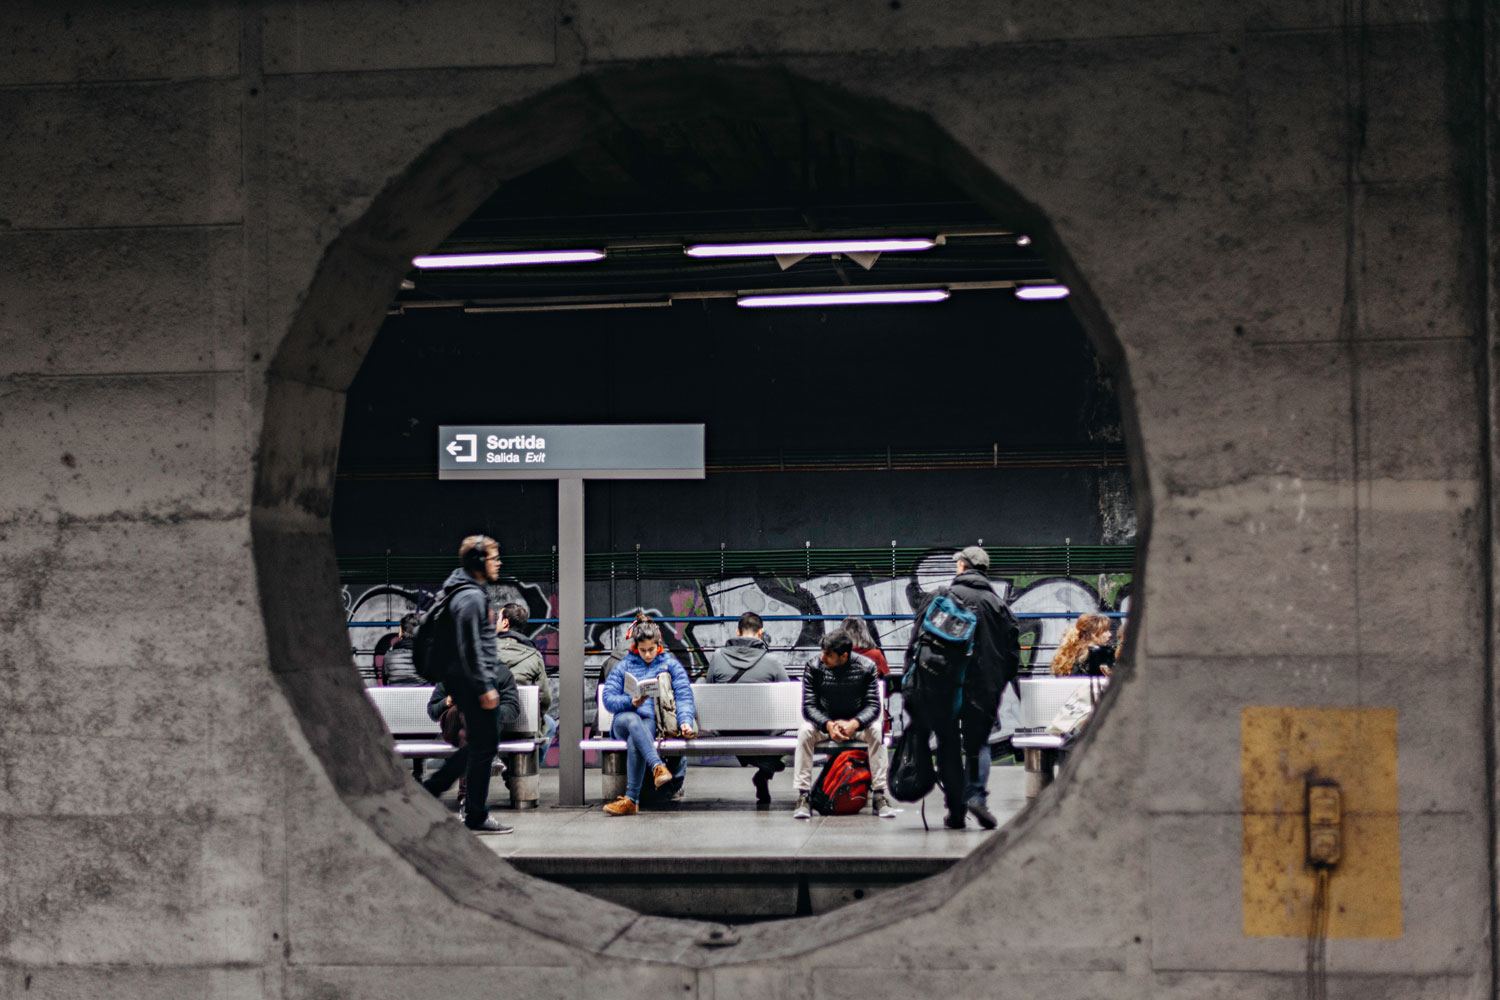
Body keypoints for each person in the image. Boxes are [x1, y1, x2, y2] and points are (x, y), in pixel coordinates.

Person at [910, 546, 1021, 830]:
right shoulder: (1000, 606)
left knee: (948, 744)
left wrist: (913, 683)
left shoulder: (942, 597)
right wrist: (997, 682)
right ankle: (977, 797)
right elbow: (1012, 657)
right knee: (978, 744)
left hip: (943, 685)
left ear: (962, 567)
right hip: (984, 688)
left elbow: (917, 643)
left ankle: (956, 812)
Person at [419, 535, 521, 833]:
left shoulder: (466, 590)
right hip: (471, 683)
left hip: (465, 681)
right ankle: (467, 810)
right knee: (483, 745)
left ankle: (433, 794)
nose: (499, 562)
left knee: (482, 745)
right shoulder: (470, 598)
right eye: (494, 557)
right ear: (478, 561)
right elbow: (468, 647)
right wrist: (484, 687)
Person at [791, 631, 895, 820]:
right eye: (822, 652)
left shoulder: (867, 667)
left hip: (855, 725)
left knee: (877, 731)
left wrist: (854, 724)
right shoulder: (813, 667)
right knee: (805, 732)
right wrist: (828, 724)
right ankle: (804, 795)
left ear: (844, 655)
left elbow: (873, 706)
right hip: (826, 724)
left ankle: (879, 794)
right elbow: (809, 707)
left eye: (828, 654)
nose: (823, 658)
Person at [598, 621, 697, 816]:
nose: (648, 654)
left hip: (651, 722)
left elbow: (684, 696)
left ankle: (631, 800)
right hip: (623, 720)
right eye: (643, 650)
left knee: (636, 738)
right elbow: (607, 698)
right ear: (636, 647)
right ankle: (657, 766)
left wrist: (684, 721)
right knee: (633, 722)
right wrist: (630, 702)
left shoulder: (669, 664)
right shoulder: (624, 665)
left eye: (651, 649)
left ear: (658, 645)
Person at [705, 611, 791, 804]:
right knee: (784, 735)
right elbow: (787, 694)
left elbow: (708, 688)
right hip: (762, 729)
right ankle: (765, 767)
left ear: (737, 632)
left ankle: (759, 763)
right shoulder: (772, 661)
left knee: (739, 725)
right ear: (760, 633)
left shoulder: (718, 656)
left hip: (725, 728)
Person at [495, 602, 555, 752]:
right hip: (523, 726)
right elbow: (545, 698)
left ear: (505, 622)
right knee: (550, 725)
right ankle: (525, 772)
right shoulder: (534, 656)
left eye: (497, 619)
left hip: (485, 724)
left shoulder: (483, 651)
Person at [1051, 612, 1115, 677]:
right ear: (1094, 634)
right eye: (1105, 630)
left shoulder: (1069, 653)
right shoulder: (1101, 653)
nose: (1109, 634)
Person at [381, 612, 424, 685]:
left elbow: (385, 681)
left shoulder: (388, 656)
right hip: (424, 695)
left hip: (395, 695)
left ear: (401, 632)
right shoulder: (427, 655)